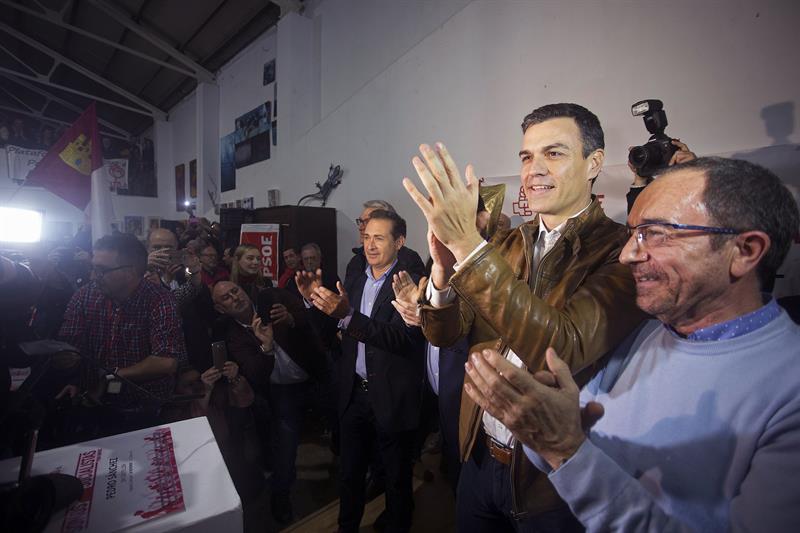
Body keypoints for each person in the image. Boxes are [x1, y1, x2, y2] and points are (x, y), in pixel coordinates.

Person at [463, 157, 800, 532]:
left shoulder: (790, 391)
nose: (627, 255)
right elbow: (569, 447)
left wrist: (566, 450)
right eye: (632, 233)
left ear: (745, 250)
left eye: (655, 233)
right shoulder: (644, 334)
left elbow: (571, 454)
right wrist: (540, 424)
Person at [402, 103, 645, 531]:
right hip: (479, 456)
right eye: (526, 157)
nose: (534, 169)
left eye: (553, 153)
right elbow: (445, 334)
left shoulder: (620, 251)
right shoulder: (510, 243)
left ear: (594, 164)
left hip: (548, 481)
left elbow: (564, 345)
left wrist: (468, 246)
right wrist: (440, 273)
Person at [297, 210, 426, 533]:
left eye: (379, 238)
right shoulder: (354, 278)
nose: (370, 245)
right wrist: (313, 303)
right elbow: (331, 336)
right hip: (354, 394)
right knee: (350, 475)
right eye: (366, 237)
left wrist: (349, 317)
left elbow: (404, 341)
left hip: (391, 398)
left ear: (399, 242)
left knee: (396, 481)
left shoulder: (407, 284)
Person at [211, 280, 324, 524]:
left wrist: (292, 318)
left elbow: (314, 319)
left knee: (343, 421)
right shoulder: (232, 335)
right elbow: (256, 375)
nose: (235, 297)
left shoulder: (271, 298)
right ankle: (281, 498)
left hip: (315, 373)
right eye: (227, 298)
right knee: (286, 445)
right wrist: (266, 346)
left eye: (235, 290)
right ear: (221, 309)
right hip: (282, 391)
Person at [58, 233, 186, 434]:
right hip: (91, 401)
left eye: (101, 270)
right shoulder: (84, 296)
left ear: (130, 272)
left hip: (144, 404)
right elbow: (69, 345)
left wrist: (109, 376)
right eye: (93, 268)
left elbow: (166, 361)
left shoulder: (160, 299)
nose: (93, 276)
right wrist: (68, 364)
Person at [345, 200, 426, 282]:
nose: (360, 227)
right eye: (361, 221)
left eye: (367, 221)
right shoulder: (356, 261)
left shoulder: (409, 260)